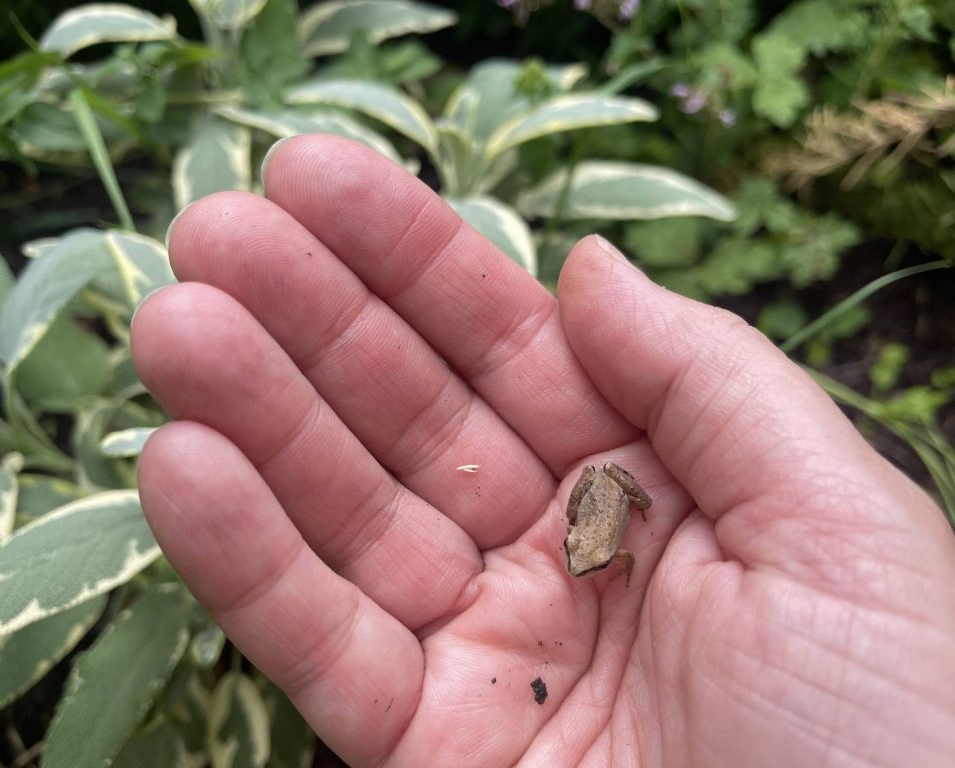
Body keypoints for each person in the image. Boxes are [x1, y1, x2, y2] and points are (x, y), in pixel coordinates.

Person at [131, 135, 955, 767]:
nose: (581, 567)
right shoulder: (583, 548)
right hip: (593, 496)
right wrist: (591, 536)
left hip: (605, 503)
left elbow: (600, 534)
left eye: (585, 564)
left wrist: (612, 540)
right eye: (581, 561)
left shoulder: (601, 558)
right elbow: (582, 517)